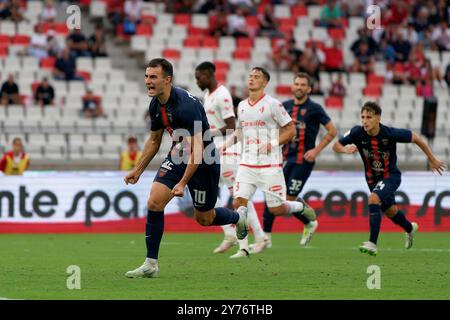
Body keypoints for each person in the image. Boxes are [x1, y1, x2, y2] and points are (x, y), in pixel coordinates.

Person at [123, 58, 248, 278]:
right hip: (179, 155)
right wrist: (138, 169)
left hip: (205, 160)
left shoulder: (186, 107)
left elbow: (198, 151)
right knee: (154, 201)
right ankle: (151, 264)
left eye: (153, 77)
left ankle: (237, 217)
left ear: (167, 80)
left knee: (204, 219)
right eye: (146, 76)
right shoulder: (155, 105)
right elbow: (154, 140)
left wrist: (182, 183)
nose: (148, 82)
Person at [332, 101, 446, 256]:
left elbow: (416, 138)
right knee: (391, 212)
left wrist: (432, 159)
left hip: (391, 176)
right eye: (363, 117)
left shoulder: (390, 133)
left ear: (378, 118)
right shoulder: (356, 133)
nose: (365, 121)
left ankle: (372, 243)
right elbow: (336, 145)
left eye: (369, 117)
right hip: (372, 180)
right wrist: (345, 149)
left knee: (373, 199)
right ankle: (410, 228)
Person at [222, 67, 311, 258]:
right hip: (247, 164)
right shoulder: (243, 106)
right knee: (239, 203)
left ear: (265, 82)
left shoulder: (273, 105)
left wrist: (271, 144)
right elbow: (240, 131)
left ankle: (300, 206)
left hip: (270, 165)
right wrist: (227, 144)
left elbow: (290, 130)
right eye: (250, 76)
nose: (252, 79)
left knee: (276, 208)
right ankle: (244, 248)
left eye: (257, 77)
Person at [195, 61, 267, 258]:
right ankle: (230, 233)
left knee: (238, 197)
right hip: (215, 150)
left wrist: (209, 134)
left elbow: (231, 125)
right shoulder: (208, 95)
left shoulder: (222, 94)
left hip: (228, 151)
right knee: (209, 191)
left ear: (209, 74)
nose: (197, 81)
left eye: (199, 77)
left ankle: (255, 239)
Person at [261, 72, 337, 248]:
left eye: (303, 85)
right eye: (297, 84)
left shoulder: (315, 108)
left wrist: (316, 150)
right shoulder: (284, 106)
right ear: (292, 86)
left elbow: (332, 131)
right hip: (284, 159)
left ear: (309, 88)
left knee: (288, 197)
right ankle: (266, 239)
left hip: (303, 161)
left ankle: (310, 222)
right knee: (272, 194)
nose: (300, 87)